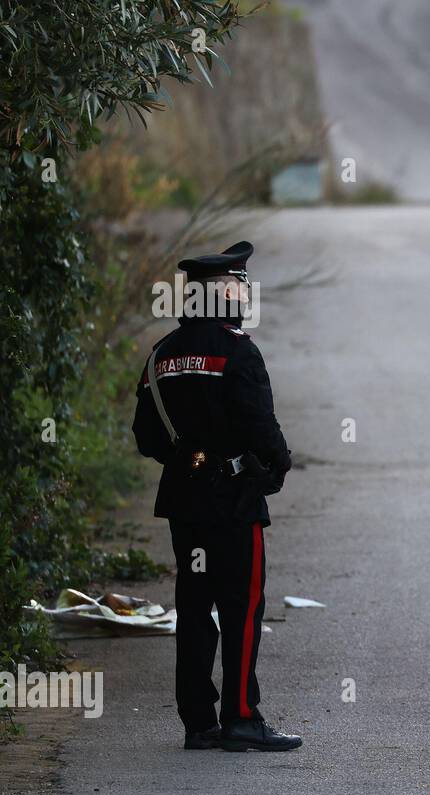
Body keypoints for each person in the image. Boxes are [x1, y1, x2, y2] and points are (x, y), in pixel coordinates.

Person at [132, 241, 300, 752]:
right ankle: (243, 718)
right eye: (237, 285)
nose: (243, 294)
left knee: (195, 604)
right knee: (242, 607)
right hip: (234, 497)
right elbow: (261, 428)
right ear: (223, 293)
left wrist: (189, 459)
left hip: (183, 499)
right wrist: (277, 464)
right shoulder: (239, 351)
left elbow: (146, 437)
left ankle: (199, 723)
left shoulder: (161, 354)